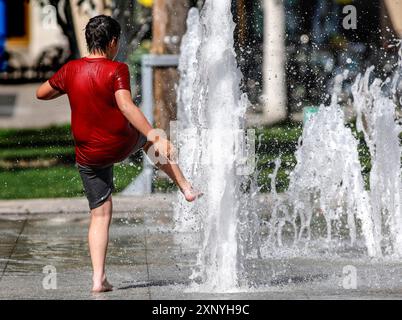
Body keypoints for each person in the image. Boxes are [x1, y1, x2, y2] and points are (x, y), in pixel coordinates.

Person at [36, 15, 201, 293]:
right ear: (112, 42)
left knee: (100, 215)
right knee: (150, 143)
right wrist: (155, 135)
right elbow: (126, 106)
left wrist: (64, 86)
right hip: (119, 142)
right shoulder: (116, 69)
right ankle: (185, 187)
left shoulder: (70, 70)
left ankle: (98, 278)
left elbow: (42, 93)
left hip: (89, 153)